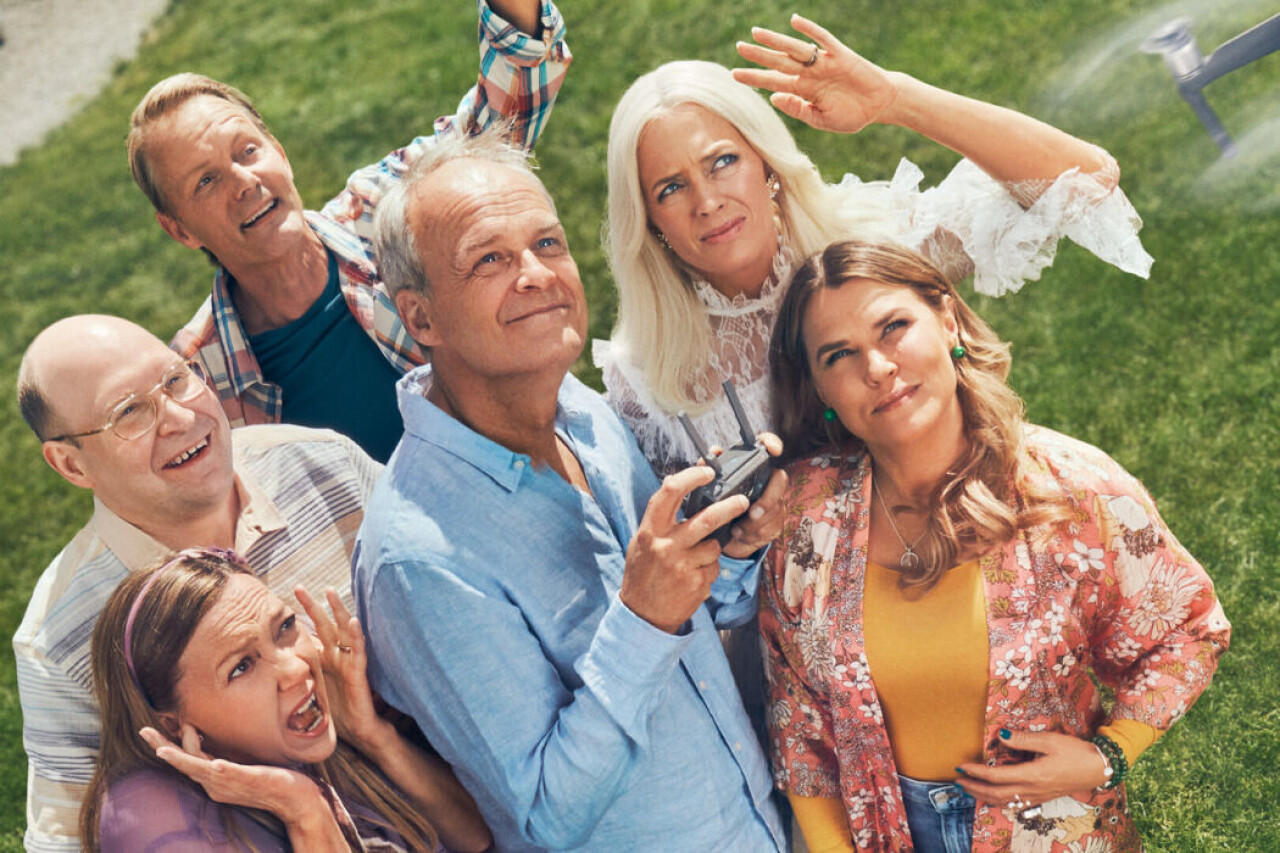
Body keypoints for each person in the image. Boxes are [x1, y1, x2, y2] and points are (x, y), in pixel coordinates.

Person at [354, 130, 790, 851]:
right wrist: (643, 618)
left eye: (548, 244)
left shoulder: (582, 411)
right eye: (490, 259)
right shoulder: (417, 563)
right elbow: (544, 817)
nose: (537, 274)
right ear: (420, 317)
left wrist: (731, 552)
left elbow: (683, 631)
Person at [763, 239, 1230, 852]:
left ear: (947, 319)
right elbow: (798, 718)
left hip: (1051, 833)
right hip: (881, 835)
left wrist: (1108, 756)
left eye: (894, 327)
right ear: (820, 388)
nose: (876, 367)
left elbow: (1188, 628)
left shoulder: (1072, 489)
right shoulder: (803, 516)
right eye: (839, 355)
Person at [595, 14, 1153, 474]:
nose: (707, 202)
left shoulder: (867, 238)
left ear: (766, 163)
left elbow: (1085, 181)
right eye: (671, 188)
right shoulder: (645, 370)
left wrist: (895, 98)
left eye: (722, 162)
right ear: (648, 223)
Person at [137, 0, 570, 462]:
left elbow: (501, 116)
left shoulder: (385, 206)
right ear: (179, 229)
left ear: (279, 153)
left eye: (247, 151)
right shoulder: (194, 378)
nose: (244, 182)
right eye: (206, 181)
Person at [14, 314, 383, 852]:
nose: (179, 417)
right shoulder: (59, 637)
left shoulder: (322, 462)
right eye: (130, 412)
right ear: (71, 464)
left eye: (176, 379)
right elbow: (66, 841)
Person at [83, 547, 491, 851]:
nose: (297, 668)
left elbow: (477, 838)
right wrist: (304, 810)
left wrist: (373, 737)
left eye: (285, 627)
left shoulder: (307, 745)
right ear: (174, 724)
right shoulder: (150, 816)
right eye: (242, 666)